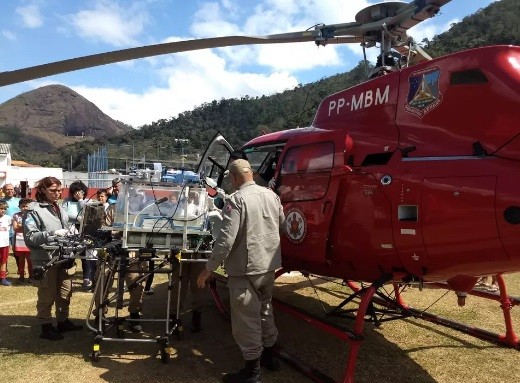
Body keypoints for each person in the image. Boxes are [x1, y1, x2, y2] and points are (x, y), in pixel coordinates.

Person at [197, 159, 285, 383]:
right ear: (252, 174)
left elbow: (226, 240)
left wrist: (209, 269)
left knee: (246, 320)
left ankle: (252, 372)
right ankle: (270, 356)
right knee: (265, 311)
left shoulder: (236, 200)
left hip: (245, 270)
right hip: (268, 267)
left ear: (235, 177)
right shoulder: (272, 196)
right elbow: (282, 225)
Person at [23, 176, 83, 340]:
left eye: (59, 190)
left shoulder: (59, 208)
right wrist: (51, 234)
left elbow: (66, 225)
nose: (57, 193)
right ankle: (46, 326)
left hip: (63, 257)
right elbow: (30, 238)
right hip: (45, 259)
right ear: (42, 190)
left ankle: (63, 321)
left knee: (65, 292)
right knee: (47, 295)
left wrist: (72, 232)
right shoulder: (33, 210)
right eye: (53, 190)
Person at [62, 180, 95, 290]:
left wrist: (80, 200)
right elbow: (64, 214)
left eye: (79, 192)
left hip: (85, 231)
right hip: (71, 231)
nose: (77, 194)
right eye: (75, 192)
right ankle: (67, 278)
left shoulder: (88, 201)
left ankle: (87, 279)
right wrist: (77, 218)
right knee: (70, 254)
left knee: (86, 256)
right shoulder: (66, 202)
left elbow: (87, 213)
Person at [12, 198, 34, 283]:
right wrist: (25, 226)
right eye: (23, 206)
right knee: (21, 260)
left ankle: (31, 276)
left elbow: (33, 227)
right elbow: (15, 228)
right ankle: (21, 276)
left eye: (26, 206)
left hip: (29, 240)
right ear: (19, 207)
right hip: (19, 241)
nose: (25, 208)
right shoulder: (16, 215)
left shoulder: (32, 215)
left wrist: (21, 225)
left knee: (30, 260)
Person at [2, 183, 21, 269]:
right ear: (3, 191)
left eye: (11, 189)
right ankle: (4, 270)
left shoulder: (19, 201)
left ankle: (20, 270)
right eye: (8, 189)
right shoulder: (1, 202)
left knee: (17, 251)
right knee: (3, 251)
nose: (10, 191)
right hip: (4, 230)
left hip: (16, 230)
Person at [0, 200, 12, 286]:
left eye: (4, 209)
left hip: (4, 244)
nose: (2, 210)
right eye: (0, 208)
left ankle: (3, 278)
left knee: (3, 261)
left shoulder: (8, 218)